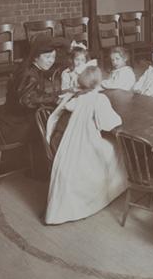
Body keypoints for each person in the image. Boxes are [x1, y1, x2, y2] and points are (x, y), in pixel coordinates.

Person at [45, 66, 127, 225]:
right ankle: (111, 190)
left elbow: (67, 107)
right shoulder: (99, 99)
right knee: (115, 147)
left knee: (109, 146)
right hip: (85, 142)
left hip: (67, 139)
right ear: (99, 82)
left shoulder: (78, 97)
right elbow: (110, 123)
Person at [0, 34, 64, 176]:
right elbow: (26, 100)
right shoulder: (30, 75)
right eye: (47, 57)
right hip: (13, 124)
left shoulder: (29, 67)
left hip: (7, 115)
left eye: (53, 57)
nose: (51, 61)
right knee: (50, 124)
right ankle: (44, 168)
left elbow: (31, 94)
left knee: (49, 115)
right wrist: (53, 98)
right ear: (36, 57)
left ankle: (40, 164)